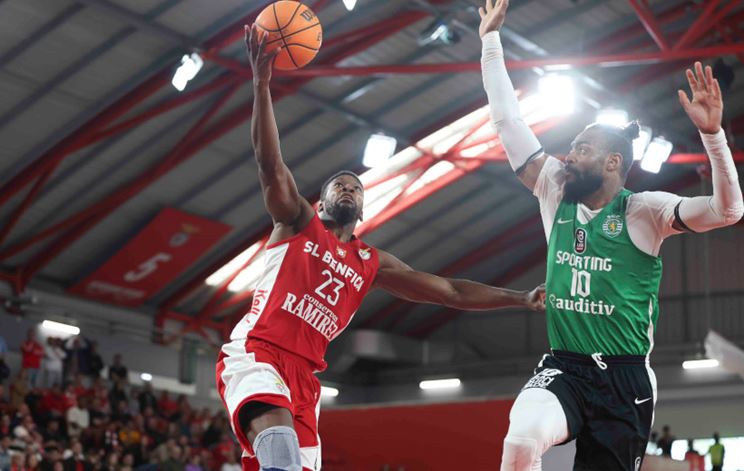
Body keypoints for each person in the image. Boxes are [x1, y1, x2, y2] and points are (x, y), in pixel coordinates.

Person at [216, 25, 546, 471]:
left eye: (356, 187)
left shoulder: (371, 263)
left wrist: (519, 297)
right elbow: (269, 163)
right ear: (321, 201)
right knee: (277, 439)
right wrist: (260, 84)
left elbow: (449, 291)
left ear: (364, 208)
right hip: (258, 353)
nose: (349, 189)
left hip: (307, 380)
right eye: (339, 185)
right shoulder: (297, 222)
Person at [478, 1, 744, 470]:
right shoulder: (554, 189)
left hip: (626, 380)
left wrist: (714, 135)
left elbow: (728, 210)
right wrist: (490, 42)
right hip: (565, 365)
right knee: (520, 442)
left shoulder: (645, 211)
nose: (569, 153)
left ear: (612, 162)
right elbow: (508, 122)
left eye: (581, 147)